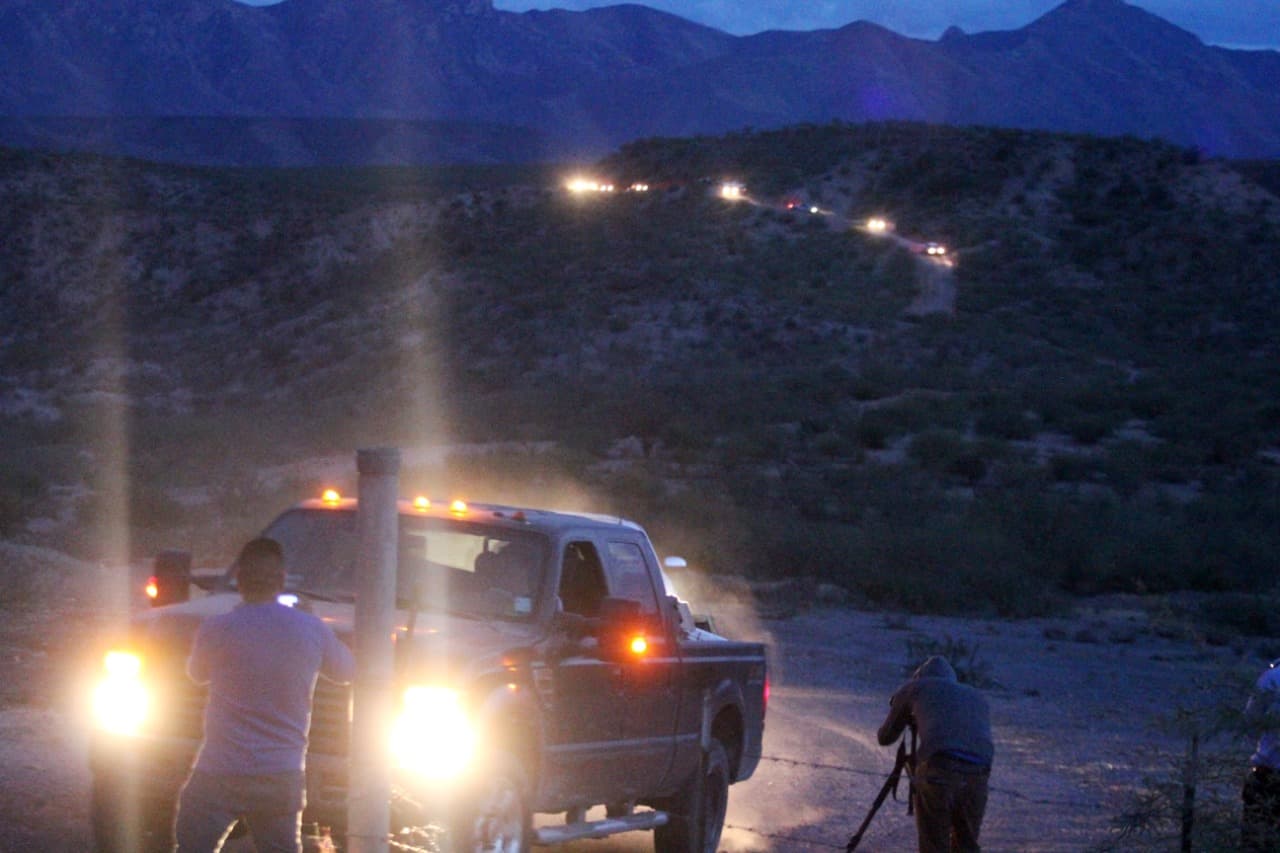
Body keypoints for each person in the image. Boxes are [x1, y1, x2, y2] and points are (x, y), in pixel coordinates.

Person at [174, 537, 355, 852]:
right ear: (282, 580)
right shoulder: (310, 628)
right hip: (281, 772)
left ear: (239, 580)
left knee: (192, 843)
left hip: (219, 770)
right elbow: (347, 672)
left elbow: (196, 674)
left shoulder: (217, 628)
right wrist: (312, 618)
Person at [877, 655, 994, 853]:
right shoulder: (976, 695)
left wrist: (906, 710)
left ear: (919, 677)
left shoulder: (915, 688)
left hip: (940, 766)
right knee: (967, 845)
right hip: (979, 771)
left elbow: (885, 737)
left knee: (934, 844)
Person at [1242, 659, 1280, 851]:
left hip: (1269, 773)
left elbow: (1251, 720)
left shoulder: (1272, 678)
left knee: (1257, 841)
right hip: (1269, 774)